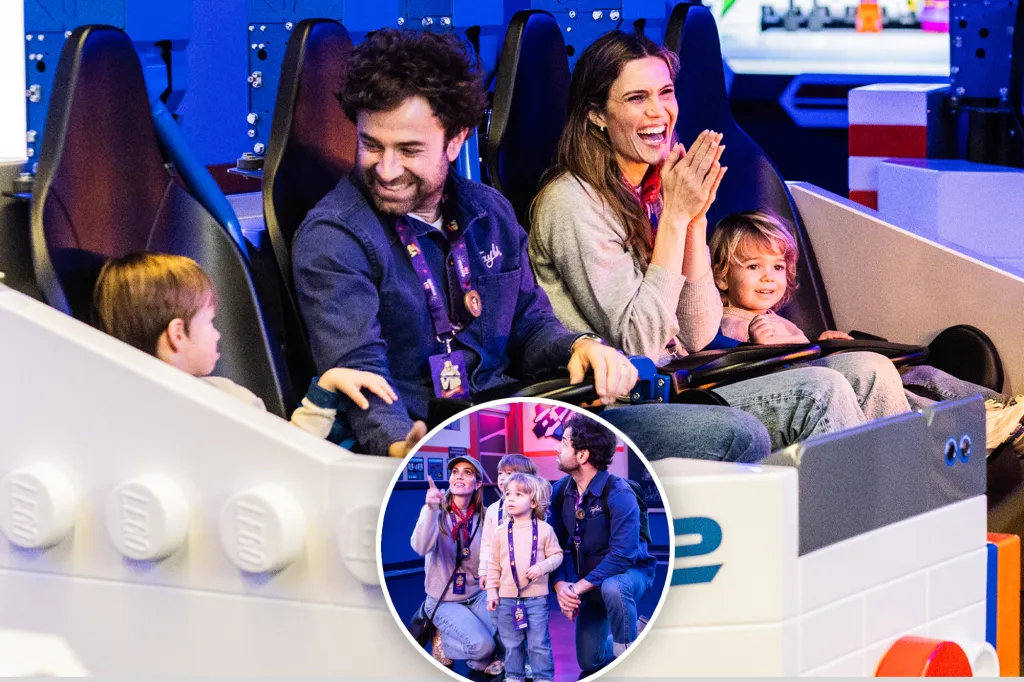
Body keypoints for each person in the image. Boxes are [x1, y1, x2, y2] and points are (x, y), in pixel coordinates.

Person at [290, 28, 771, 463]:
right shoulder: (335, 237)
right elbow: (358, 373)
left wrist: (581, 347)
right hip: (434, 442)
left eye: (409, 151)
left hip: (527, 421)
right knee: (736, 435)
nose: (387, 169)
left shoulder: (489, 212)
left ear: (456, 140)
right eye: (372, 145)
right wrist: (401, 446)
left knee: (740, 433)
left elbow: (530, 323)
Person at [528, 30, 911, 451]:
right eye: (637, 98)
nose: (659, 112)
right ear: (596, 115)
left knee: (870, 369)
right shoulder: (571, 203)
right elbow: (641, 345)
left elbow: (696, 332)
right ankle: (848, 515)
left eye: (665, 92)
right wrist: (676, 217)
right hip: (625, 405)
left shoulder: (658, 186)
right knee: (821, 392)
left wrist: (695, 219)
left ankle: (902, 511)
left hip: (684, 375)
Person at [709, 209, 1024, 452]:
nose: (768, 278)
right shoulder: (733, 323)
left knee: (920, 373)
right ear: (722, 277)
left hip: (819, 374)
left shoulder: (768, 316)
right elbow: (775, 374)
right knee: (899, 391)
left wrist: (824, 344)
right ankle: (980, 425)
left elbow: (802, 353)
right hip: (808, 392)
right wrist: (769, 346)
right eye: (753, 267)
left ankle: (1003, 407)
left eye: (776, 267)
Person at [91, 253, 397, 439]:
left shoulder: (120, 418)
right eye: (210, 322)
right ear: (177, 335)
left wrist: (328, 386)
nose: (218, 334)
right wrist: (326, 391)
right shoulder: (226, 402)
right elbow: (289, 455)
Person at [548, 413, 656, 678]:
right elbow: (553, 547)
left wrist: (577, 588)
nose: (557, 449)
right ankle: (636, 634)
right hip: (588, 584)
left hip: (629, 576)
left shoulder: (619, 493)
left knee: (614, 586)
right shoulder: (561, 491)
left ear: (582, 455)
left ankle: (629, 659)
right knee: (589, 661)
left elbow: (623, 556)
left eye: (564, 443)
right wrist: (561, 586)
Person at [410, 456, 502, 678]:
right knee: (484, 647)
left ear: (478, 484)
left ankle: (480, 662)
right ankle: (442, 643)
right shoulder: (437, 513)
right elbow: (420, 547)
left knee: (509, 630)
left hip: (477, 595)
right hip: (444, 601)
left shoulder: (485, 517)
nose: (459, 475)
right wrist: (430, 509)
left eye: (467, 472)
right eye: (455, 471)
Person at [486, 473, 563, 682]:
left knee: (538, 642)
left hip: (536, 599)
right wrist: (492, 591)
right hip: (506, 599)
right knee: (511, 642)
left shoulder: (545, 530)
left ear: (533, 501)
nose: (510, 498)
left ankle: (543, 677)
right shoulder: (500, 532)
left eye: (518, 494)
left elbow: (557, 555)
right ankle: (513, 675)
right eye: (508, 494)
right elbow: (493, 564)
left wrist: (542, 567)